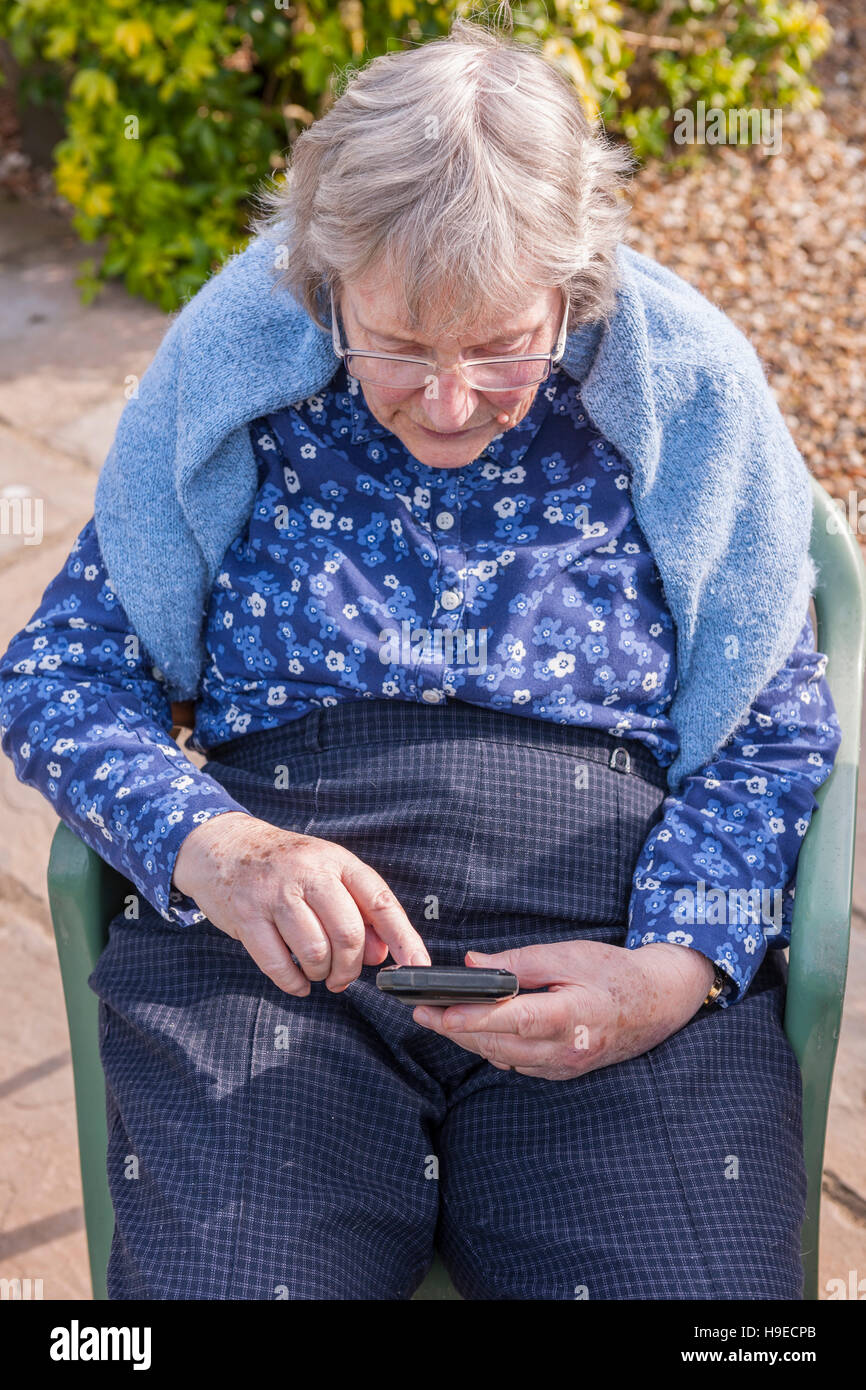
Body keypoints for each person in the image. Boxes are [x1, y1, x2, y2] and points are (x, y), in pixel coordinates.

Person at [0, 15, 841, 1300]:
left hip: (609, 938)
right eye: (396, 345)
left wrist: (669, 971)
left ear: (573, 285)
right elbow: (60, 676)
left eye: (502, 345)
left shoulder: (682, 403)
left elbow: (773, 726)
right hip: (274, 959)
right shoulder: (238, 388)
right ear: (322, 282)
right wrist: (221, 852)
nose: (447, 403)